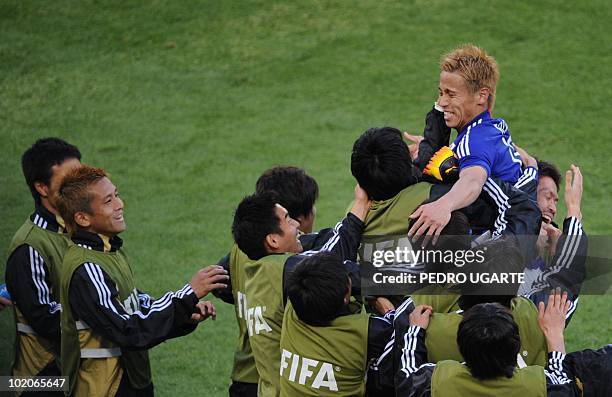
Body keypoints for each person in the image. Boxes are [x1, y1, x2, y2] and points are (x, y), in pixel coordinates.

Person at [55, 165, 228, 396]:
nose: (120, 204)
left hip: (130, 382)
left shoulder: (109, 251)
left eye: (116, 195)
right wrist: (188, 293)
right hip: (105, 389)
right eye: (108, 201)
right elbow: (127, 329)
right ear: (82, 218)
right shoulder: (87, 268)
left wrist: (185, 311)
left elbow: (137, 304)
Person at [231, 187, 370, 397]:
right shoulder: (283, 270)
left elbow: (322, 243)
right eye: (287, 220)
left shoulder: (258, 271)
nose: (296, 224)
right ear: (273, 241)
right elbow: (333, 264)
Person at [213, 166, 320, 397]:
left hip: (245, 375)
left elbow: (220, 281)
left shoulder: (241, 249)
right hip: (284, 379)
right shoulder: (291, 265)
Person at [408, 44, 528, 243]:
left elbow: (472, 180)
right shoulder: (488, 129)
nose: (442, 102)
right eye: (441, 93)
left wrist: (443, 205)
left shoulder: (476, 139)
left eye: (451, 94)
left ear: (482, 95)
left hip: (495, 251)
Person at [395, 289, 580, 396]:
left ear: (461, 346)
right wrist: (555, 334)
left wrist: (415, 330)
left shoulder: (438, 380)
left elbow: (407, 374)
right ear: (516, 347)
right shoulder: (539, 384)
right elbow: (563, 381)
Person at [4, 138, 81, 383]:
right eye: (68, 181)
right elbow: (45, 319)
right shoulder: (29, 246)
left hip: (79, 372)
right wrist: (102, 312)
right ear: (42, 188)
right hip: (43, 379)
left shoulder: (83, 229)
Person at [280, 252, 399, 396]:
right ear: (345, 297)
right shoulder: (366, 332)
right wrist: (389, 311)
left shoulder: (293, 307)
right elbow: (401, 331)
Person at [519, 163, 586, 305]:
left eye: (555, 201)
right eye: (547, 197)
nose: (553, 208)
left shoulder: (546, 256)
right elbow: (555, 303)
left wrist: (555, 258)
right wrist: (574, 211)